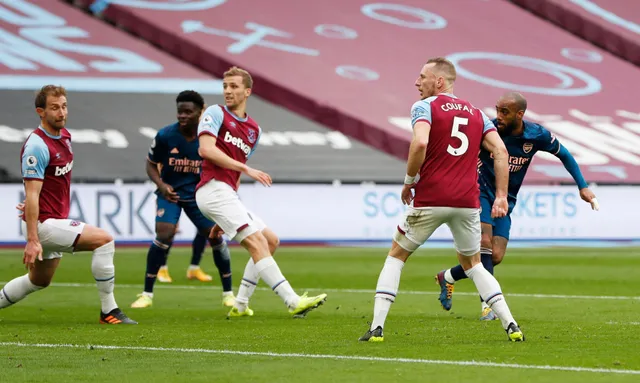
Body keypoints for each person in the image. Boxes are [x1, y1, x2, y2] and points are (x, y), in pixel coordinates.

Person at [359, 58, 524, 342]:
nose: (416, 82)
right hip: (467, 202)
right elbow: (501, 151)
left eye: (422, 76)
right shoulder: (476, 113)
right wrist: (499, 195)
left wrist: (410, 180)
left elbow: (420, 142)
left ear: (439, 82)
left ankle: (376, 328)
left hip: (431, 197)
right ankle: (511, 325)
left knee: (396, 257)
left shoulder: (425, 107)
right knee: (474, 264)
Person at [435, 92, 599, 320]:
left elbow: (565, 154)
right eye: (497, 110)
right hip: (478, 192)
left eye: (505, 112)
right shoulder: (487, 130)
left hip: (506, 199)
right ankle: (488, 305)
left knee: (495, 256)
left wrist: (582, 186)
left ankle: (448, 276)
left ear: (519, 114)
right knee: (484, 243)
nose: (498, 116)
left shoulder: (536, 135)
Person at [195, 66, 327, 318]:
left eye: (233, 87)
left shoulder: (254, 130)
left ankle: (241, 304)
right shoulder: (215, 112)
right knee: (256, 243)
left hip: (226, 193)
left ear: (247, 91)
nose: (228, 91)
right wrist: (246, 168)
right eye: (225, 86)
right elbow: (206, 150)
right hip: (212, 189)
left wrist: (222, 216)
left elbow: (233, 174)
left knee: (269, 240)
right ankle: (292, 301)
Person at [0, 85, 136, 325]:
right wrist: (33, 239)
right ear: (40, 112)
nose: (61, 112)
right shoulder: (36, 146)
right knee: (104, 240)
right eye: (54, 108)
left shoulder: (64, 136)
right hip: (44, 224)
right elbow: (32, 195)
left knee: (38, 281)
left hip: (51, 219)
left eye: (64, 106)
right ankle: (109, 311)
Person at [131, 90, 235, 309]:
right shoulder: (165, 136)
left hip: (199, 196)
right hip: (171, 194)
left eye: (188, 112)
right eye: (180, 112)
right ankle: (146, 295)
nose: (183, 116)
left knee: (215, 237)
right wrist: (161, 185)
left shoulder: (209, 139)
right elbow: (150, 163)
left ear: (200, 112)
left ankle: (228, 293)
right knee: (164, 233)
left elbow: (224, 165)